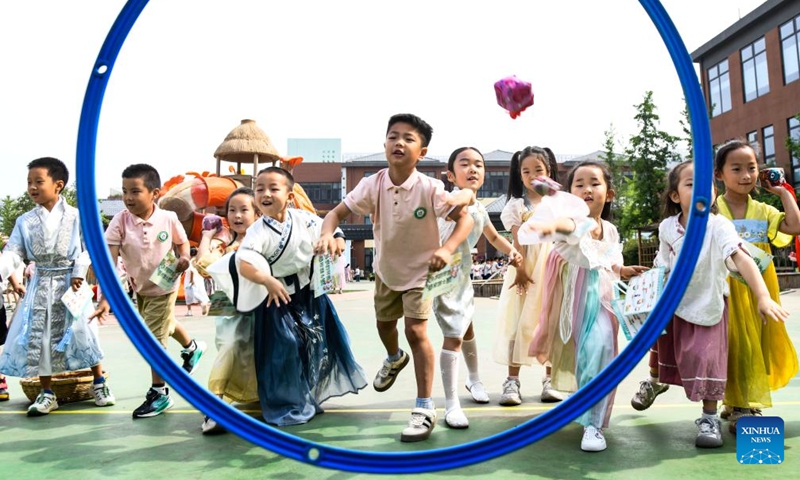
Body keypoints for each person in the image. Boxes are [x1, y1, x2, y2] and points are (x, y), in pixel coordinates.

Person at [316, 113, 474, 442]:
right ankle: (394, 357)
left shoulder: (431, 188)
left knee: (416, 331)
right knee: (384, 326)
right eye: (393, 136)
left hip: (423, 273)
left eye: (408, 138)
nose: (398, 142)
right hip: (386, 272)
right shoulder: (372, 184)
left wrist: (446, 249)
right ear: (385, 143)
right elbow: (335, 213)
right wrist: (328, 233)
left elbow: (466, 222)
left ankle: (424, 407)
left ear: (423, 151)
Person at [631, 161, 789, 448]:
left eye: (706, 184)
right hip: (673, 305)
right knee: (660, 349)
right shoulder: (668, 227)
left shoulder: (718, 225)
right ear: (675, 195)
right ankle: (655, 382)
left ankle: (709, 417)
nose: (701, 188)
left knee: (707, 359)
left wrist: (763, 295)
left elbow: (741, 258)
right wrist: (646, 291)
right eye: (691, 184)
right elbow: (662, 264)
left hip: (708, 305)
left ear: (714, 193)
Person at [527, 161, 647, 452]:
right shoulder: (575, 222)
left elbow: (611, 260)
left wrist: (624, 269)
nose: (587, 189)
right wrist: (549, 221)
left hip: (603, 301)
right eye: (578, 184)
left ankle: (593, 424)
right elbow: (564, 227)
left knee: (602, 351)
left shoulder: (611, 230)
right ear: (570, 195)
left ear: (610, 193)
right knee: (583, 358)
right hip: (572, 300)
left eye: (594, 183)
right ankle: (582, 406)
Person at [234, 167, 367, 426]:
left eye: (273, 188)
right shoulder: (258, 230)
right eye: (259, 189)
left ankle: (306, 395)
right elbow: (244, 263)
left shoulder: (304, 219)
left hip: (310, 293)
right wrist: (267, 280)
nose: (265, 194)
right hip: (276, 297)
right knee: (285, 348)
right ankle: (287, 404)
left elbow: (333, 229)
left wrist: (336, 241)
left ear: (290, 194)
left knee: (315, 344)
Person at [0, 157, 115, 415]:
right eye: (29, 182)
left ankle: (99, 383)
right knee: (40, 337)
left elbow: (90, 248)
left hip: (71, 283)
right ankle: (47, 393)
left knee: (84, 330)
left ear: (58, 185)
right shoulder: (24, 221)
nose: (32, 187)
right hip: (40, 284)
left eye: (39, 181)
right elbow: (13, 252)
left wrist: (78, 270)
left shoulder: (77, 216)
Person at [92, 163, 207, 419]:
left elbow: (182, 243)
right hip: (141, 286)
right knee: (165, 323)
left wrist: (185, 258)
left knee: (154, 339)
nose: (128, 198)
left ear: (154, 193)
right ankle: (192, 347)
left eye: (135, 191)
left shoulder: (168, 218)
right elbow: (109, 262)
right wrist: (104, 298)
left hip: (165, 284)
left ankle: (160, 392)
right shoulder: (120, 221)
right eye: (124, 191)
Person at [713, 139, 800, 433]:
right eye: (736, 169)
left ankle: (745, 404)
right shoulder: (715, 210)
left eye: (751, 168)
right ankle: (738, 403)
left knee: (756, 342)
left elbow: (794, 225)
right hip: (726, 286)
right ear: (719, 174)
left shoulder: (763, 210)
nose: (746, 175)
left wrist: (782, 192)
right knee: (734, 341)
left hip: (761, 287)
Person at [434, 146, 522, 428]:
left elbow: (494, 237)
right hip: (439, 273)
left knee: (466, 327)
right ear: (450, 174)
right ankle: (451, 404)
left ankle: (473, 380)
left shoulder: (481, 209)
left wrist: (512, 251)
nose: (473, 169)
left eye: (479, 165)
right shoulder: (447, 201)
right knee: (453, 334)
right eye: (465, 164)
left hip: (461, 276)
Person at [493, 146, 562, 406]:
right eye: (526, 171)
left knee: (551, 324)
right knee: (518, 323)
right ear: (519, 175)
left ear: (549, 172)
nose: (532, 175)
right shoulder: (517, 204)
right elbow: (516, 240)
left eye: (539, 170)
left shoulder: (558, 203)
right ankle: (512, 381)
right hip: (524, 269)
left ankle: (550, 379)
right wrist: (520, 269)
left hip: (553, 269)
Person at [193, 187, 261, 434]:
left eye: (244, 209)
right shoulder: (224, 242)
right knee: (230, 348)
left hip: (260, 308)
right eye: (232, 210)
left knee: (258, 354)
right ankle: (215, 404)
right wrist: (207, 236)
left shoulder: (263, 239)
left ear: (257, 213)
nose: (237, 215)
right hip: (230, 310)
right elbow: (203, 265)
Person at [183, 248, 209, 317]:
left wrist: (191, 280)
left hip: (190, 280)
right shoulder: (198, 261)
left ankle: (189, 311)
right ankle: (202, 305)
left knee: (188, 295)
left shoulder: (190, 262)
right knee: (198, 293)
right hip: (199, 280)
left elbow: (191, 271)